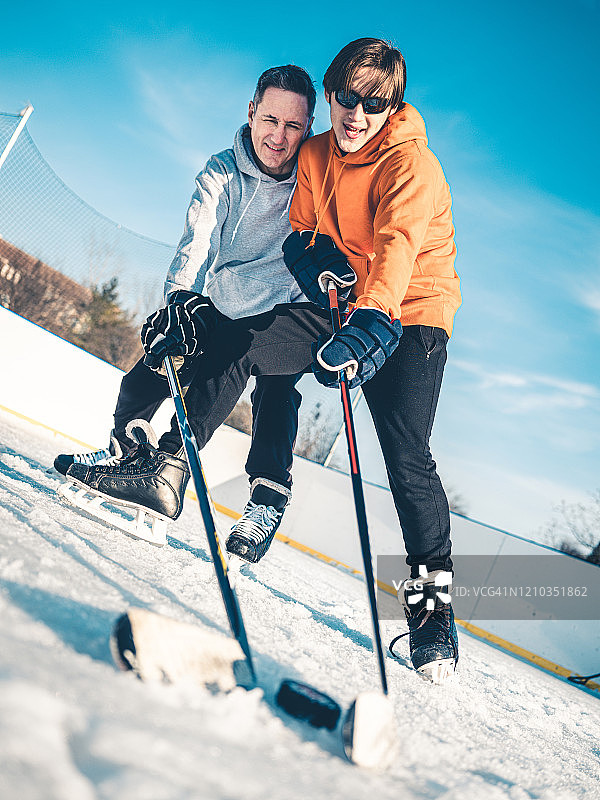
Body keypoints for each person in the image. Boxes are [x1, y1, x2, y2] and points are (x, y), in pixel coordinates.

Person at [68, 38, 461, 681]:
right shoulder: (314, 151)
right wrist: (316, 259)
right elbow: (303, 227)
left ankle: (433, 616)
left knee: (407, 455)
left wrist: (374, 319)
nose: (355, 116)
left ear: (393, 108)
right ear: (329, 96)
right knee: (250, 347)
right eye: (345, 99)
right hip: (344, 297)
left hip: (411, 314)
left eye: (373, 104)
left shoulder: (412, 168)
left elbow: (397, 247)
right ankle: (168, 468)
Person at [57, 64, 315, 562]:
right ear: (251, 112)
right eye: (269, 120)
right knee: (150, 370)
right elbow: (197, 241)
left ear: (306, 129)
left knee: (277, 387)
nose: (278, 138)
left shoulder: (314, 180)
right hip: (219, 300)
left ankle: (265, 497)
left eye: (293, 127)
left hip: (277, 311)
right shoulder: (221, 170)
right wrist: (180, 301)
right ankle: (124, 452)